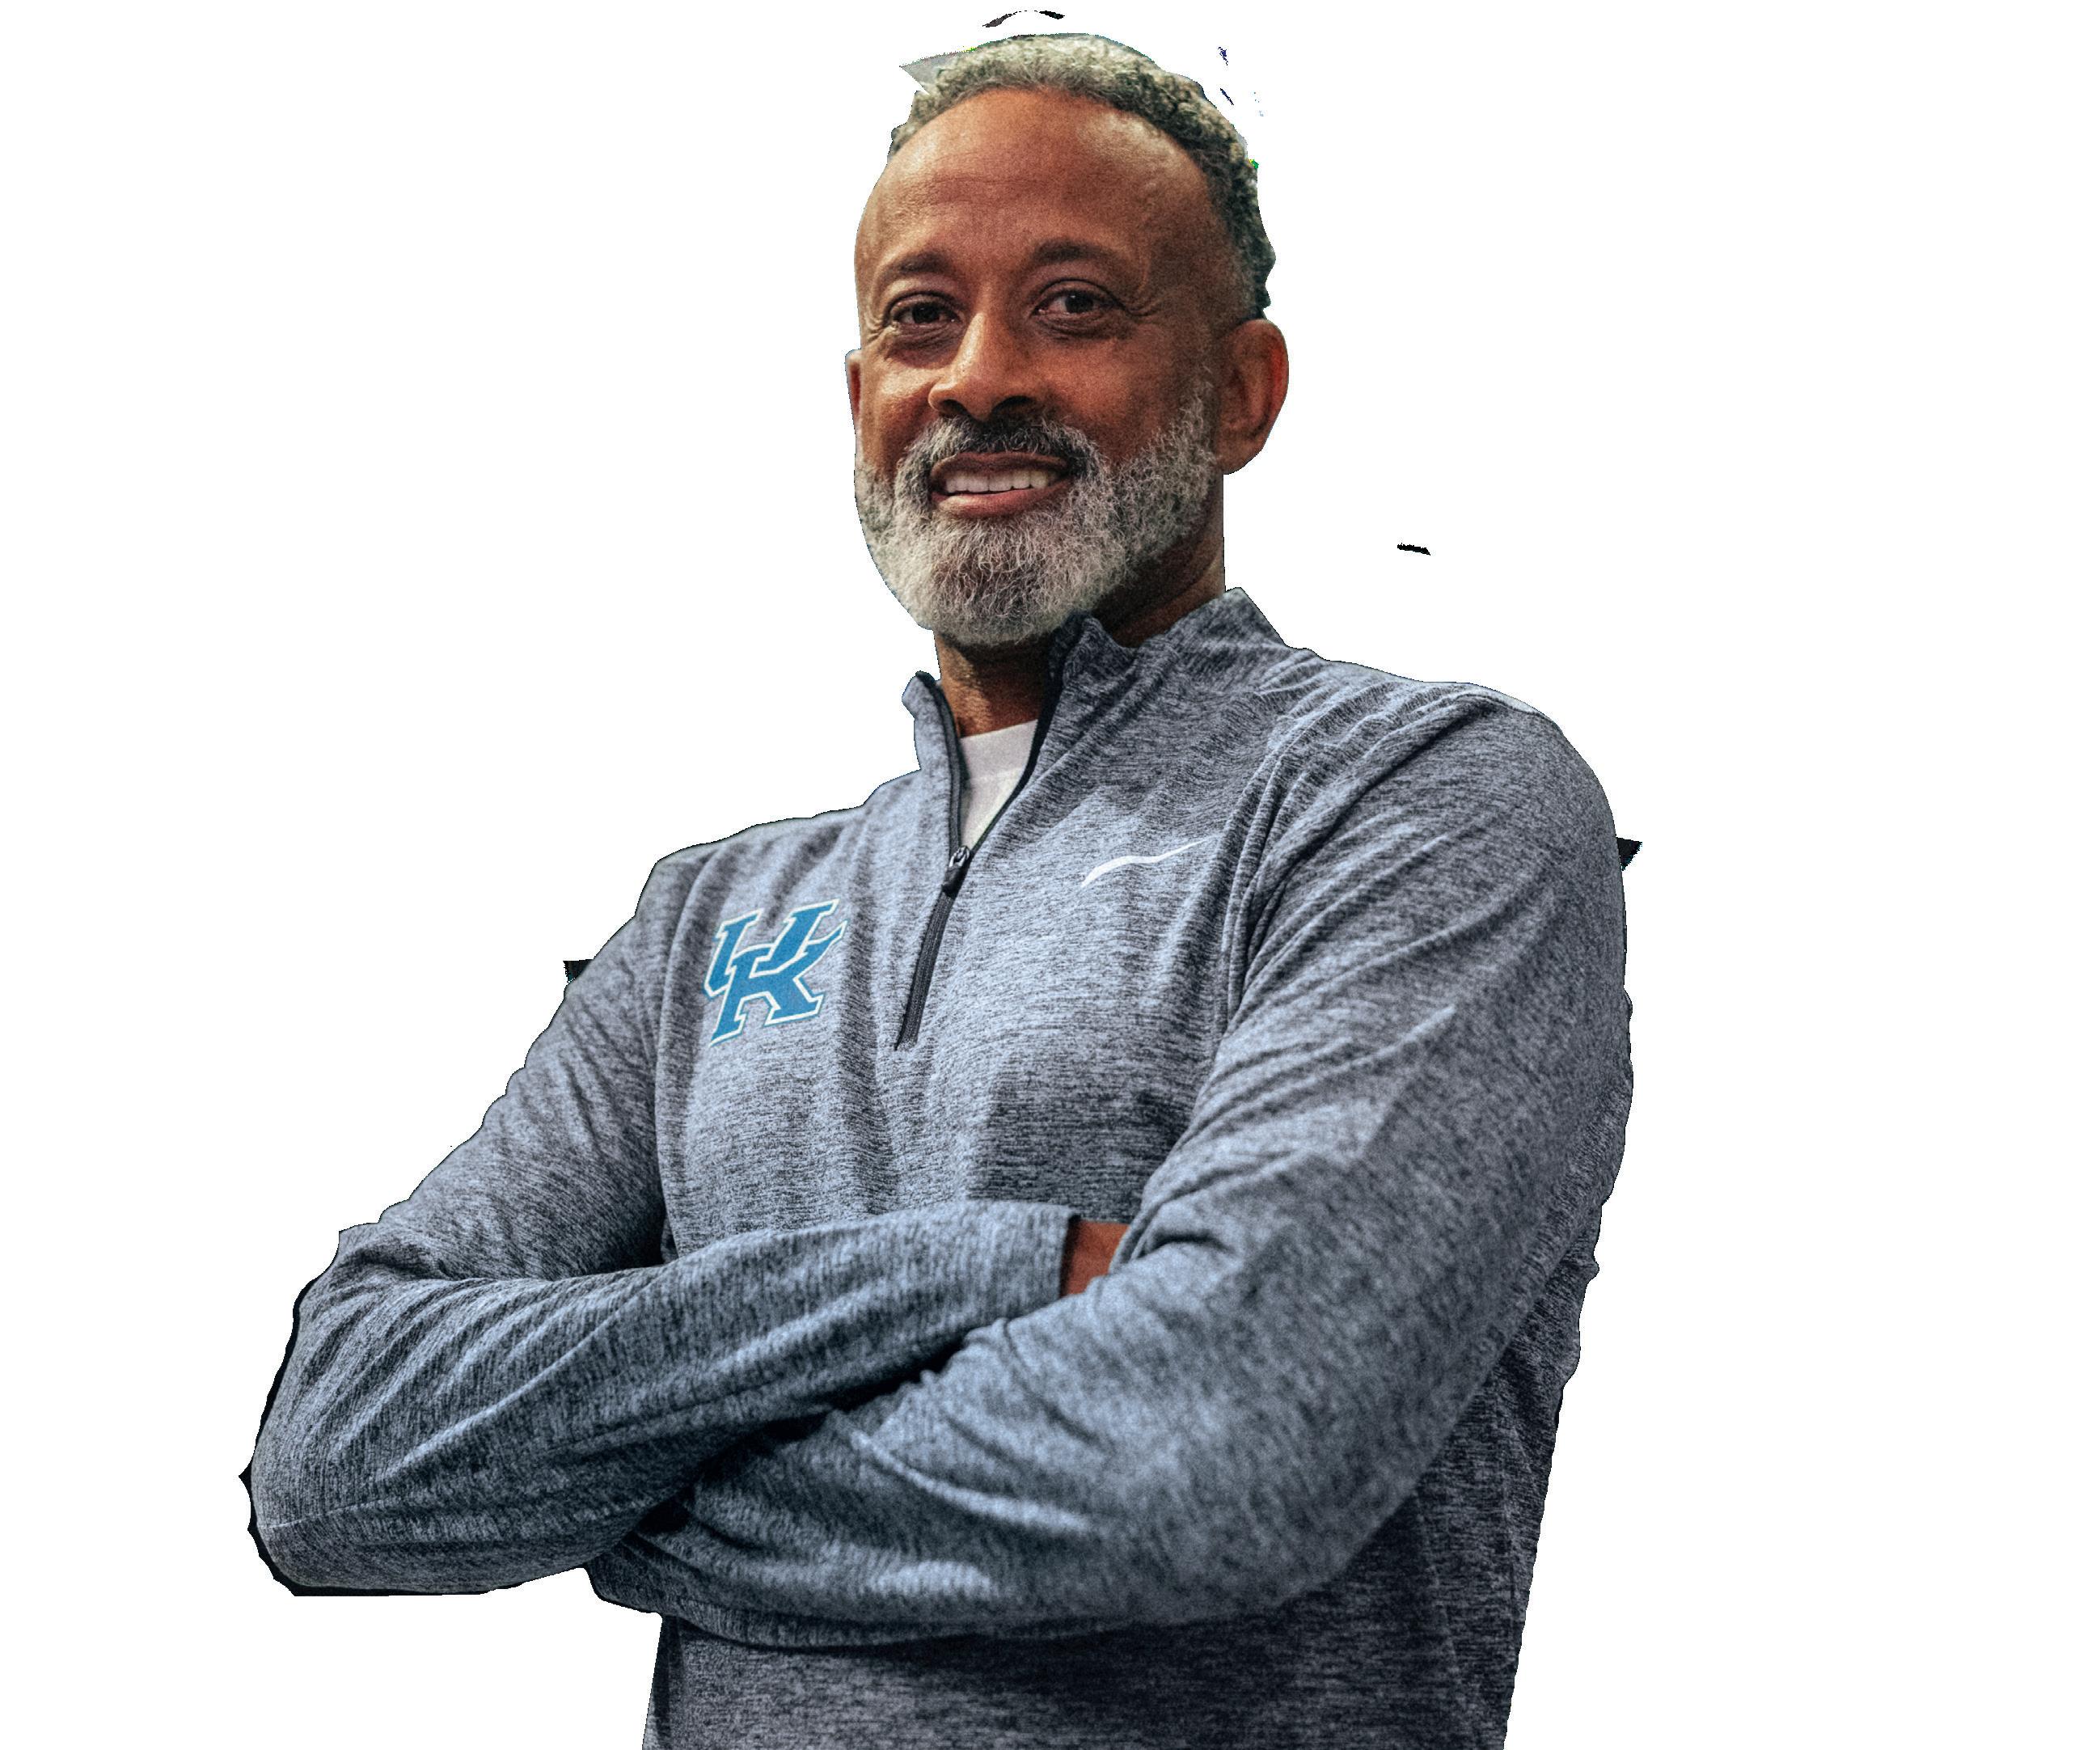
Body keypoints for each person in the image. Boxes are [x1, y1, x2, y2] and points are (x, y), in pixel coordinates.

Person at [243, 32, 1638, 1749]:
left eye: (1074, 306)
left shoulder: (1419, 798)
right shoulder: (708, 919)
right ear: (860, 401)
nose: (979, 377)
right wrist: (999, 1268)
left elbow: (1214, 1457)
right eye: (920, 318)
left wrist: (610, 1494)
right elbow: (338, 1452)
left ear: (1243, 390)